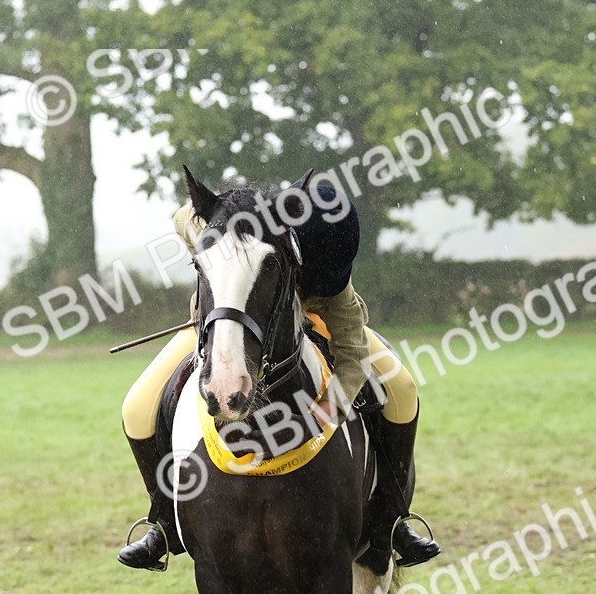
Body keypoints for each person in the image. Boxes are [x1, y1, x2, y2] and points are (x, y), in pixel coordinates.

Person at [118, 178, 440, 571]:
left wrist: (329, 409)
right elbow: (185, 218)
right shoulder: (239, 228)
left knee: (402, 387)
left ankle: (392, 517)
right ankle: (164, 522)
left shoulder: (334, 288)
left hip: (316, 323)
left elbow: (354, 358)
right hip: (223, 329)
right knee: (136, 407)